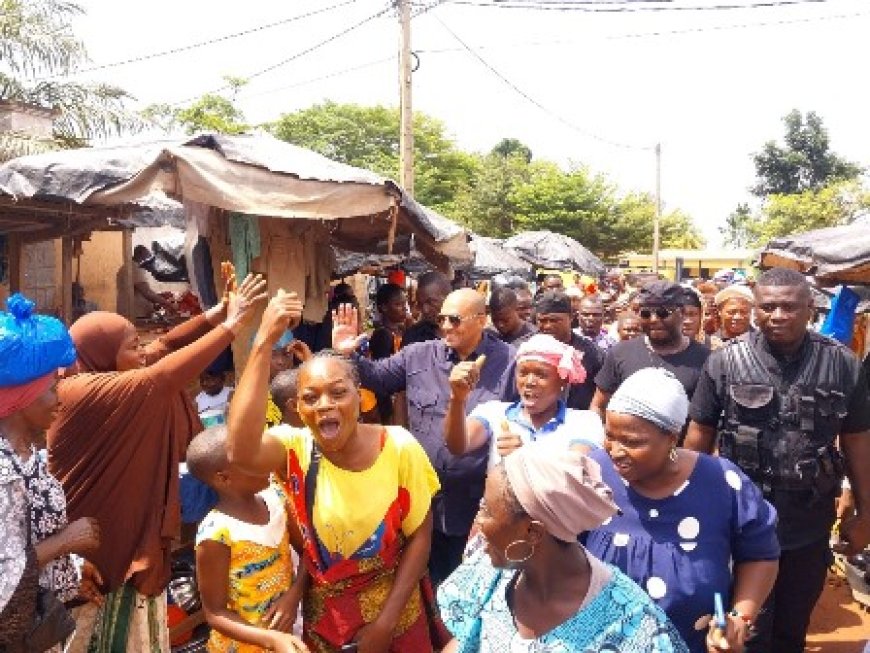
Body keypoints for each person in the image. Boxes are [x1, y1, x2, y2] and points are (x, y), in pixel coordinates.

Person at [47, 273, 268, 652]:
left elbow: (162, 346)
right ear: (101, 353)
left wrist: (214, 315)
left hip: (118, 534)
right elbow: (160, 375)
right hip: (95, 556)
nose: (142, 352)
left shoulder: (101, 372)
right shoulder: (81, 392)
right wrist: (233, 327)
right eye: (133, 346)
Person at [226, 293, 447, 652]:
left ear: (361, 398)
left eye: (338, 393)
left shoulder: (399, 447)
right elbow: (239, 451)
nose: (325, 404)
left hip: (396, 619)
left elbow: (420, 540)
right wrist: (263, 340)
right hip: (329, 623)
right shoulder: (295, 448)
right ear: (297, 407)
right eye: (310, 398)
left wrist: (385, 623)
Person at [685, 267, 870, 653]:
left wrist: (865, 513)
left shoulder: (843, 365)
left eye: (789, 307)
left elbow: (856, 440)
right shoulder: (724, 363)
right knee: (747, 628)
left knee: (792, 625)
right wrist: (685, 501)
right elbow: (699, 435)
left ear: (809, 309)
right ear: (756, 309)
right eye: (767, 307)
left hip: (809, 517)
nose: (777, 315)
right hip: (740, 517)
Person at [585, 368, 779, 653]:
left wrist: (739, 618)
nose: (615, 450)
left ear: (672, 437)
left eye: (633, 441)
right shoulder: (592, 473)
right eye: (610, 435)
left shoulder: (721, 482)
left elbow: (760, 555)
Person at [332, 288, 516, 586]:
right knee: (422, 582)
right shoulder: (419, 355)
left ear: (481, 320)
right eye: (442, 318)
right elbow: (377, 377)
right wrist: (346, 354)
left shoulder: (510, 362)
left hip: (476, 505)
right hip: (421, 498)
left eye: (454, 320)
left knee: (470, 584)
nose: (445, 326)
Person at [437, 446, 689, 652]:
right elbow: (464, 642)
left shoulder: (633, 624)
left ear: (532, 533)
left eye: (488, 511)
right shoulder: (490, 572)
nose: (479, 523)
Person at [0, 294, 104, 615]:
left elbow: (27, 538)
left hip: (38, 618)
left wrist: (70, 570)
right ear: (21, 400)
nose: (60, 399)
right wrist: (66, 543)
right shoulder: (4, 474)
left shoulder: (28, 452)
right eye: (51, 390)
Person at [188, 426, 307, 653]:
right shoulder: (216, 534)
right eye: (250, 461)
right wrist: (270, 639)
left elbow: (306, 552)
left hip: (286, 638)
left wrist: (294, 596)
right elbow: (215, 613)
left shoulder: (276, 497)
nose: (263, 462)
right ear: (224, 478)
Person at [444, 333, 604, 468]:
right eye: (523, 373)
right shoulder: (493, 412)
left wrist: (525, 457)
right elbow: (458, 446)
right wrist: (457, 399)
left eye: (541, 375)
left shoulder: (584, 422)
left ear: (563, 381)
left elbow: (575, 472)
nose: (529, 382)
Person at [591, 280, 710, 422]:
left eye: (663, 313)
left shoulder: (705, 360)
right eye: (646, 314)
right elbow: (599, 405)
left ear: (682, 313)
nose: (653, 319)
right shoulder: (620, 353)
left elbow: (707, 423)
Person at [532, 290, 602, 411]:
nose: (548, 326)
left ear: (570, 318)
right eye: (542, 321)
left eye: (554, 320)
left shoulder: (593, 354)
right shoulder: (527, 350)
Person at [401, 272, 451, 347]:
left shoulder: (468, 333)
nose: (425, 310)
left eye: (430, 302)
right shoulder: (414, 336)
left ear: (448, 297)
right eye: (421, 304)